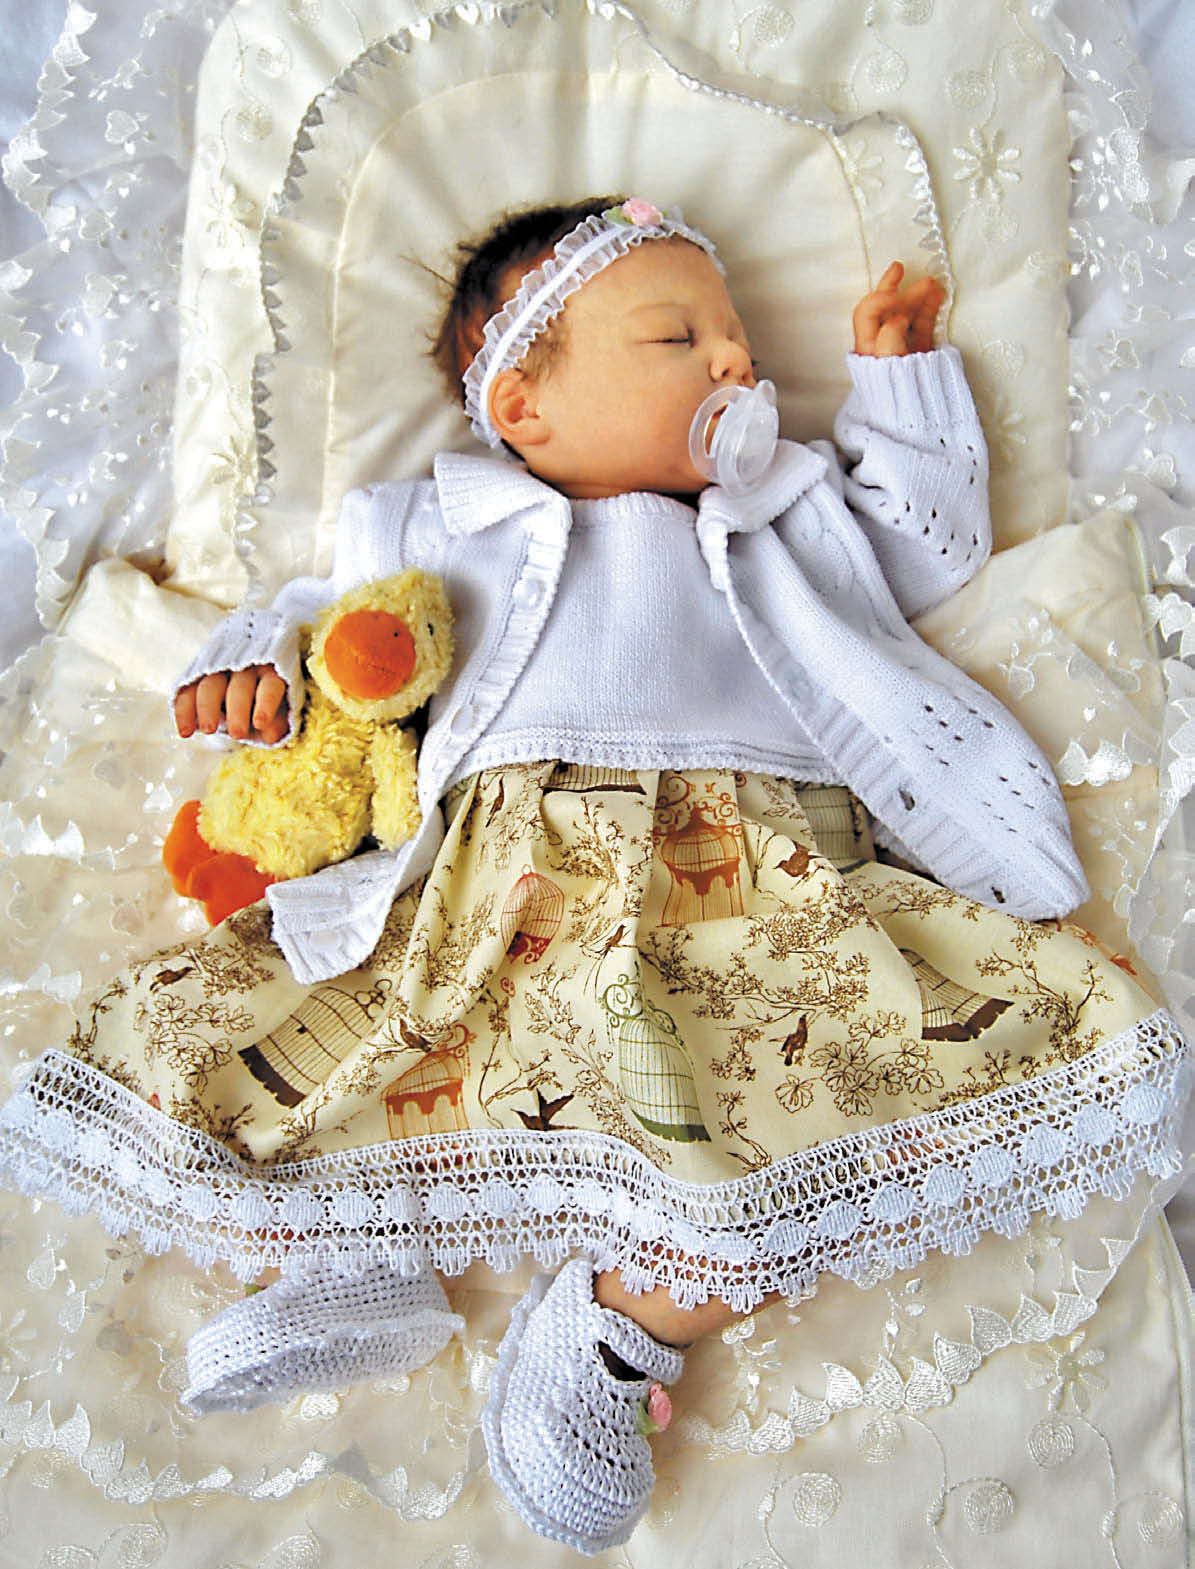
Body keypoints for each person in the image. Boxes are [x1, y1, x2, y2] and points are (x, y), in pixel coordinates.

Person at [3, 197, 1187, 1558]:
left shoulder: (781, 506)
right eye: (680, 338)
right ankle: (363, 1253)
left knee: (811, 1116)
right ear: (522, 405)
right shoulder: (440, 519)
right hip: (504, 881)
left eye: (742, 343)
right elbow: (330, 628)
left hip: (756, 885)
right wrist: (255, 664)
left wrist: (901, 384)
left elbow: (927, 549)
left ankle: (625, 1324)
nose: (735, 363)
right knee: (381, 1031)